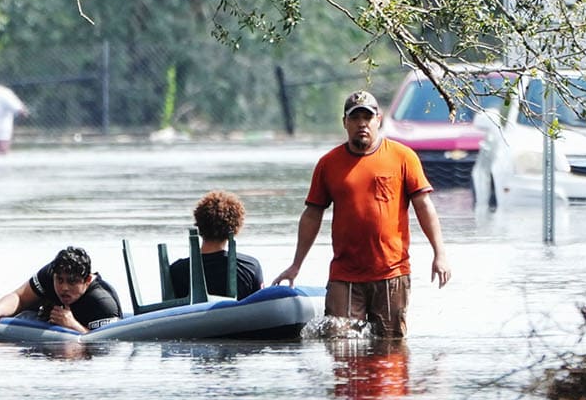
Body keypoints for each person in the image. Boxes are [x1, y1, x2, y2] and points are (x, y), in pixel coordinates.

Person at [273, 89, 451, 338]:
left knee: (390, 347)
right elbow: (312, 215)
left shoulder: (403, 157)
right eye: (355, 118)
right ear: (345, 123)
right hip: (345, 275)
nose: (362, 124)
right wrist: (296, 265)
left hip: (391, 273)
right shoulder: (328, 164)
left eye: (367, 118)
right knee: (339, 344)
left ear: (378, 120)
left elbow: (424, 207)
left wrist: (439, 253)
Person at [0, 245, 124, 334]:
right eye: (59, 280)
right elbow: (20, 297)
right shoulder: (50, 273)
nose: (64, 287)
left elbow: (109, 344)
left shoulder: (103, 302)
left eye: (72, 282)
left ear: (87, 280)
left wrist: (72, 325)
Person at [166, 190, 265, 300]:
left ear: (199, 225)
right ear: (235, 228)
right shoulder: (250, 267)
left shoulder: (176, 270)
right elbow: (261, 307)